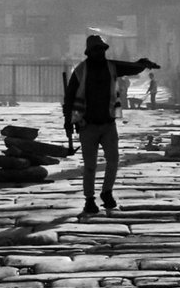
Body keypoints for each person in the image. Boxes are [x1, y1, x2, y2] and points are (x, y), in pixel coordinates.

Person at [63, 34, 158, 216]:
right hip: (87, 124)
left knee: (113, 161)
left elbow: (129, 67)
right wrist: (68, 121)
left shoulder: (111, 66)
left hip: (108, 123)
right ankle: (89, 199)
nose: (100, 53)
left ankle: (107, 192)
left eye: (102, 49)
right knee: (90, 166)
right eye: (97, 50)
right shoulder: (80, 71)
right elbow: (69, 98)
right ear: (90, 52)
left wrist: (142, 64)